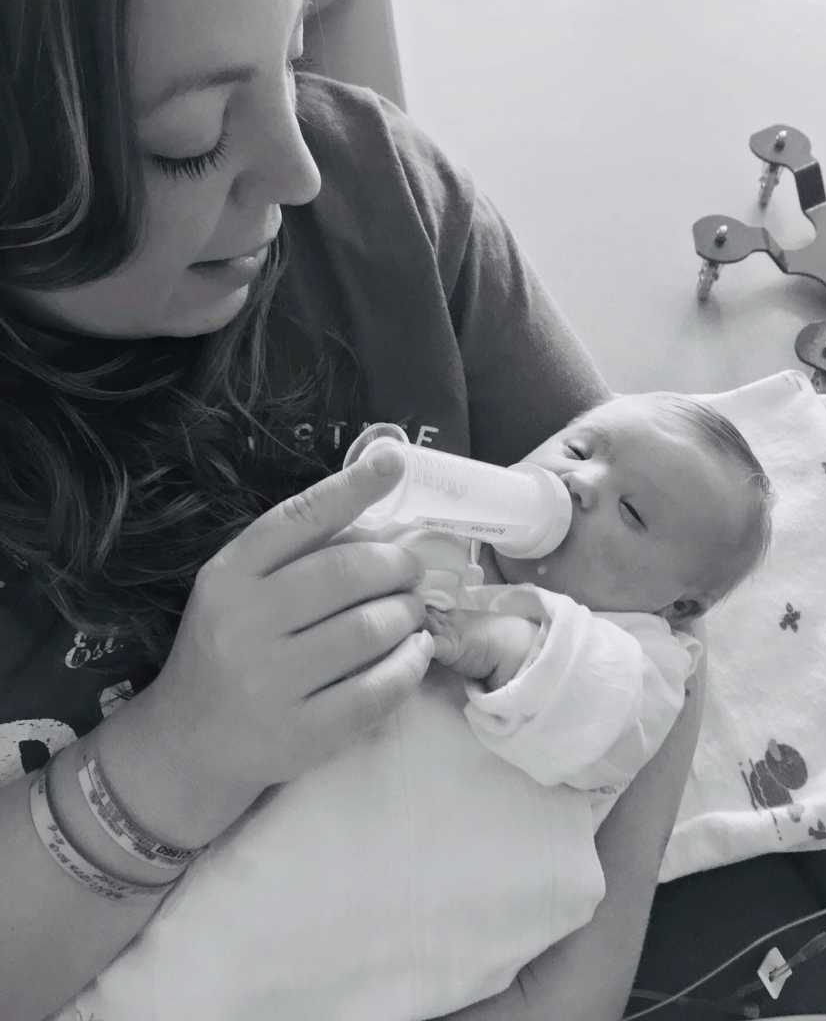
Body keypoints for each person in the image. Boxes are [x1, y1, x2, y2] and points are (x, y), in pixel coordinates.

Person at [0, 0, 706, 1019]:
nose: (295, 172)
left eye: (291, 46)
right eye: (189, 141)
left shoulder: (385, 200)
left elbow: (673, 604)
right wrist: (178, 757)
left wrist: (574, 988)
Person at [60, 394, 771, 1021]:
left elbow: (606, 712)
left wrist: (505, 647)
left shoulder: (646, 651)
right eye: (580, 450)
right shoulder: (444, 529)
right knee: (186, 957)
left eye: (633, 511)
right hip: (285, 847)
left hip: (414, 913)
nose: (580, 484)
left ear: (683, 604)